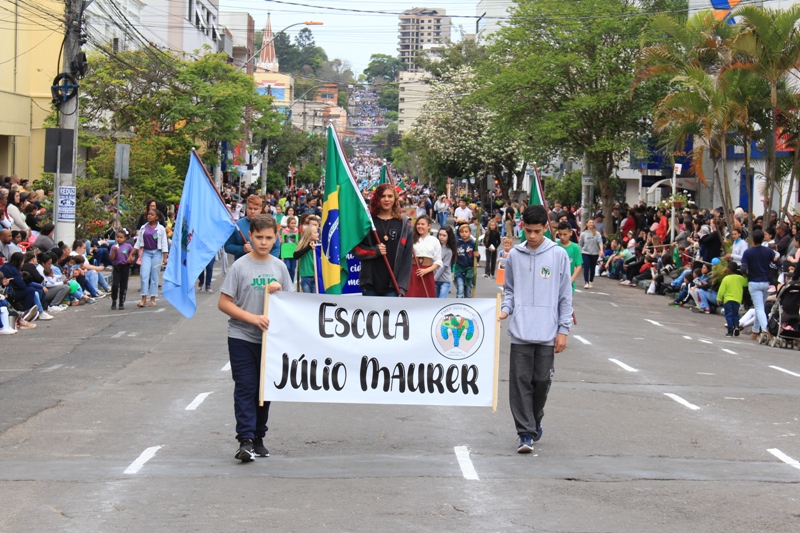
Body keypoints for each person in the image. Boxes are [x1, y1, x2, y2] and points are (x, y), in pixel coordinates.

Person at [218, 214, 294, 462]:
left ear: (276, 238)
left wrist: (279, 291)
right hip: (241, 336)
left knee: (264, 390)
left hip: (270, 340)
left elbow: (292, 303)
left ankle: (259, 436)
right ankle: (245, 439)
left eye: (268, 238)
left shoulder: (279, 267)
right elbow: (224, 303)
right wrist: (252, 318)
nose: (263, 242)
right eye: (259, 237)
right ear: (250, 236)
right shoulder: (240, 267)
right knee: (245, 387)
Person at [498, 205, 573, 453]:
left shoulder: (558, 255)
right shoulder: (514, 255)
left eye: (537, 231)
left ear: (545, 229)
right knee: (520, 383)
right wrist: (505, 310)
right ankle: (525, 433)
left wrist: (563, 330)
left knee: (541, 381)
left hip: (547, 332)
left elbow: (565, 295)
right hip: (520, 331)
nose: (532, 236)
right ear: (522, 227)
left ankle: (535, 417)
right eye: (528, 231)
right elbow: (509, 290)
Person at [353, 184, 413, 297]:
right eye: (383, 196)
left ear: (395, 198)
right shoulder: (367, 221)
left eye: (390, 196)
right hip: (370, 283)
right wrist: (374, 251)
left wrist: (402, 287)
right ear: (377, 198)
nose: (386, 199)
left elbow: (407, 258)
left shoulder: (404, 224)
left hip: (393, 285)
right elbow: (355, 248)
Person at [741, 229, 778, 340]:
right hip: (766, 282)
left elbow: (743, 269)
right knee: (760, 306)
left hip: (754, 282)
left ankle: (766, 329)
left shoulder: (748, 252)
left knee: (759, 307)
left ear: (752, 239)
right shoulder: (768, 251)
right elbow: (777, 261)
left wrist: (746, 273)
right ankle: (755, 330)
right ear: (763, 239)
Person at [131, 208, 169, 308]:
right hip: (146, 252)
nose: (149, 216)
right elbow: (138, 242)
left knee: (154, 276)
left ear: (157, 217)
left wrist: (165, 257)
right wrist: (132, 253)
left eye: (152, 215)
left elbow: (164, 244)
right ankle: (143, 298)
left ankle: (152, 298)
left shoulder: (160, 229)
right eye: (148, 214)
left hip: (157, 253)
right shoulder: (143, 228)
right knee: (144, 275)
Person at [406, 215, 442, 298]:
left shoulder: (434, 241)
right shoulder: (411, 238)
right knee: (412, 295)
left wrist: (426, 270)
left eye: (423, 224)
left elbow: (438, 261)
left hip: (427, 272)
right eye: (418, 224)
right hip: (413, 271)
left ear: (429, 226)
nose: (420, 226)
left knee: (427, 296)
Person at [717, 261, 748, 337]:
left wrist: (719, 298)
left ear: (729, 269)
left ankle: (730, 330)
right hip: (737, 300)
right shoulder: (740, 278)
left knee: (729, 315)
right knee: (735, 314)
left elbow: (721, 290)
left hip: (728, 300)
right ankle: (736, 326)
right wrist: (746, 276)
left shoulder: (726, 278)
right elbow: (746, 283)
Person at [453, 224, 479, 298]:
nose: (464, 233)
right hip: (459, 269)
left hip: (469, 269)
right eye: (462, 232)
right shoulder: (457, 243)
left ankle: (467, 303)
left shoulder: (473, 244)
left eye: (466, 232)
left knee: (468, 290)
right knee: (460, 288)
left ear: (470, 233)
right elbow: (453, 255)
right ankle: (459, 302)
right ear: (459, 233)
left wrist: (477, 255)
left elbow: (477, 258)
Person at [109, 230, 133, 310]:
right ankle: (114, 300)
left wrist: (131, 259)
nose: (119, 239)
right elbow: (111, 258)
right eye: (118, 237)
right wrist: (114, 252)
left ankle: (121, 301)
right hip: (117, 266)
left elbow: (132, 255)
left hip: (125, 266)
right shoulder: (114, 247)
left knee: (123, 285)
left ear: (125, 238)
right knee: (115, 285)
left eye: (121, 237)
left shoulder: (128, 246)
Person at [556, 221, 583, 292]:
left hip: (568, 282)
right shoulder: (555, 245)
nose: (562, 237)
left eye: (565, 234)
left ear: (570, 233)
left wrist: (571, 279)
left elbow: (579, 265)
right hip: (556, 281)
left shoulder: (575, 247)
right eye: (560, 234)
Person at [293, 225, 320, 293]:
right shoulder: (303, 245)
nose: (318, 234)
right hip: (305, 276)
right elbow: (295, 256)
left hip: (315, 276)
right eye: (315, 232)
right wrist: (308, 247)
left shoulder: (318, 246)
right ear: (309, 235)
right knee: (307, 297)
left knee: (315, 297)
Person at [579, 219, 603, 289]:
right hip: (585, 252)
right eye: (590, 222)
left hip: (594, 253)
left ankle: (591, 281)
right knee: (586, 267)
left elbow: (600, 242)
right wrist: (580, 252)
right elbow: (580, 244)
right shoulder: (583, 234)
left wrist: (601, 250)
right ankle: (586, 282)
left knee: (592, 268)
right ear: (587, 224)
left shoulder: (597, 233)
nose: (591, 224)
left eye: (592, 222)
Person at [435, 226, 457, 298]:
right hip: (435, 280)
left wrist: (434, 278)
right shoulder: (435, 247)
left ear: (449, 237)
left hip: (444, 280)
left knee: (442, 299)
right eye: (440, 235)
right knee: (434, 300)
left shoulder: (449, 251)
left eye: (444, 235)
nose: (441, 237)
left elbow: (443, 267)